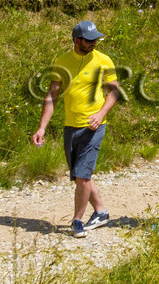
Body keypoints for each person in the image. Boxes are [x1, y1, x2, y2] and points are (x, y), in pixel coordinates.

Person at [32, 19, 118, 237]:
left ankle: (77, 221)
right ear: (76, 40)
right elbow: (52, 95)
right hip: (70, 126)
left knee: (82, 176)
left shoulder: (103, 60)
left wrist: (100, 115)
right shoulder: (61, 62)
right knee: (81, 174)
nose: (94, 43)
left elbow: (114, 91)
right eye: (89, 40)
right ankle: (101, 211)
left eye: (96, 39)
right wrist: (42, 127)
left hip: (94, 126)